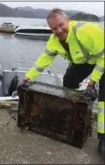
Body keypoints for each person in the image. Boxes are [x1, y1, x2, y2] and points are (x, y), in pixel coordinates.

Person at [20, 8, 104, 159]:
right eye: (54, 28)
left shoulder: (87, 30)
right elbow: (43, 61)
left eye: (61, 25)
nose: (58, 30)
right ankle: (75, 114)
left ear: (68, 21)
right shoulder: (54, 40)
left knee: (104, 100)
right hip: (86, 60)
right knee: (68, 82)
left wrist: (92, 82)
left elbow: (103, 57)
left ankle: (103, 138)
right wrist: (27, 77)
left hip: (102, 58)